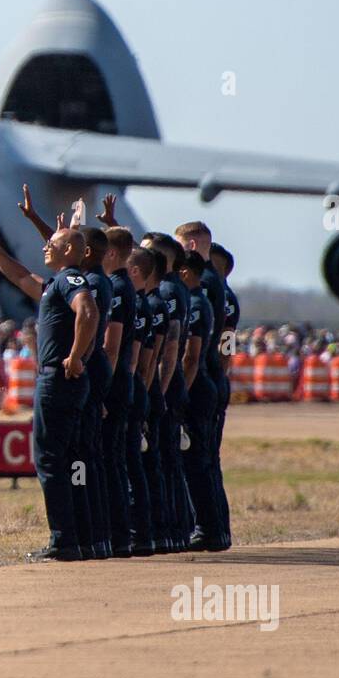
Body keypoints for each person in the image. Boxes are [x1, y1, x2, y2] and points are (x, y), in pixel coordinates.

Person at [0, 204, 98, 562]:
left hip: (59, 379)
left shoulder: (70, 280)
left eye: (53, 243)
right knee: (72, 460)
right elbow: (18, 276)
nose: (45, 246)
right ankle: (80, 535)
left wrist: (76, 355)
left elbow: (88, 311)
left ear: (69, 251)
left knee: (49, 460)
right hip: (67, 380)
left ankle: (63, 539)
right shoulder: (55, 285)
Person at [176, 222, 232, 551]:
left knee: (197, 460)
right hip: (210, 375)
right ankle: (215, 529)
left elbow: (197, 345)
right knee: (206, 461)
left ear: (193, 246)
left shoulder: (204, 285)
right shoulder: (217, 282)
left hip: (200, 378)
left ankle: (208, 528)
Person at [145, 233, 192, 551]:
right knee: (166, 459)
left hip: (164, 382)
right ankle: (175, 528)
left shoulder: (167, 291)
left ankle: (167, 529)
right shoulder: (176, 289)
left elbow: (171, 347)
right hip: (167, 382)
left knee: (160, 459)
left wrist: (158, 393)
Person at [100, 225, 140, 557]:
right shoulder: (126, 286)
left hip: (113, 384)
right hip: (125, 381)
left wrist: (100, 391)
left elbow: (111, 347)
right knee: (116, 459)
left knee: (109, 459)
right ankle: (122, 533)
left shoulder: (116, 288)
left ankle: (116, 534)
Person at [125, 246, 165, 555]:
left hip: (135, 387)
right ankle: (153, 533)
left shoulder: (142, 304)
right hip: (142, 388)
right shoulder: (149, 303)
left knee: (129, 463)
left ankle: (137, 533)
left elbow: (143, 360)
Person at [210, 243, 240, 548]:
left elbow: (226, 347)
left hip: (212, 379)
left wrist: (218, 373)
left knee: (205, 459)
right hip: (214, 379)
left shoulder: (224, 300)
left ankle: (214, 529)